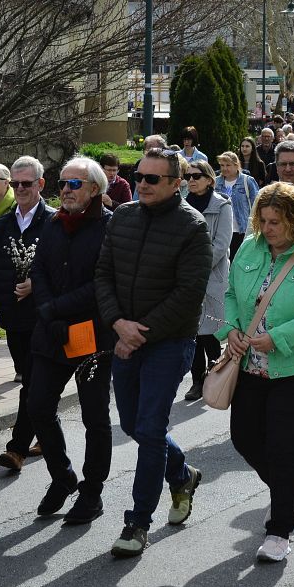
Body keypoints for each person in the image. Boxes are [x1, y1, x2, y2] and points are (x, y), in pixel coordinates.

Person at [95, 147, 212, 559]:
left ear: (176, 184)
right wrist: (117, 323)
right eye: (138, 176)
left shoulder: (192, 226)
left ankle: (137, 522)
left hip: (168, 342)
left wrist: (137, 333)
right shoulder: (123, 216)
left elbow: (188, 294)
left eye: (152, 179)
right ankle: (181, 474)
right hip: (124, 335)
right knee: (134, 424)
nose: (141, 184)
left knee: (149, 427)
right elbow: (103, 274)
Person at [216, 182, 294, 563]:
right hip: (250, 368)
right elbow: (230, 294)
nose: (267, 229)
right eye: (263, 221)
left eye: (276, 222)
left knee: (284, 449)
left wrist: (279, 337)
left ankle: (279, 531)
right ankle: (286, 487)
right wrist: (231, 330)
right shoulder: (249, 248)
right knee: (244, 438)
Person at [27, 157, 115, 526]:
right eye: (62, 183)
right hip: (51, 332)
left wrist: (56, 309)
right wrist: (49, 312)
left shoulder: (109, 227)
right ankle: (63, 477)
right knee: (38, 406)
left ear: (94, 188)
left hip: (90, 335)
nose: (65, 190)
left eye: (74, 184)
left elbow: (101, 283)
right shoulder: (52, 223)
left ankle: (92, 491)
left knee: (94, 416)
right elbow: (38, 270)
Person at [0, 156, 50, 472]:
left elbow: (67, 270)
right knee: (34, 383)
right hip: (13, 320)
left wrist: (37, 284)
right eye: (16, 183)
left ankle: (17, 449)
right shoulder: (2, 226)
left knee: (32, 384)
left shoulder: (54, 222)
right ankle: (47, 432)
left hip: (44, 320)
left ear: (40, 184)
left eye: (27, 183)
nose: (20, 189)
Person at [183, 159, 234, 403]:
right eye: (188, 176)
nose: (191, 180)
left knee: (211, 330)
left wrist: (198, 267)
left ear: (209, 179)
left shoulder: (222, 205)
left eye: (196, 176)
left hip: (212, 275)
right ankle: (197, 380)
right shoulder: (181, 204)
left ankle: (214, 376)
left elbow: (222, 244)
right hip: (186, 277)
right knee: (192, 330)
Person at [215, 151, 259, 256]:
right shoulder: (216, 182)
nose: (224, 168)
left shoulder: (247, 181)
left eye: (228, 165)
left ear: (236, 165)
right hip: (221, 229)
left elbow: (257, 204)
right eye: (222, 165)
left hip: (242, 230)